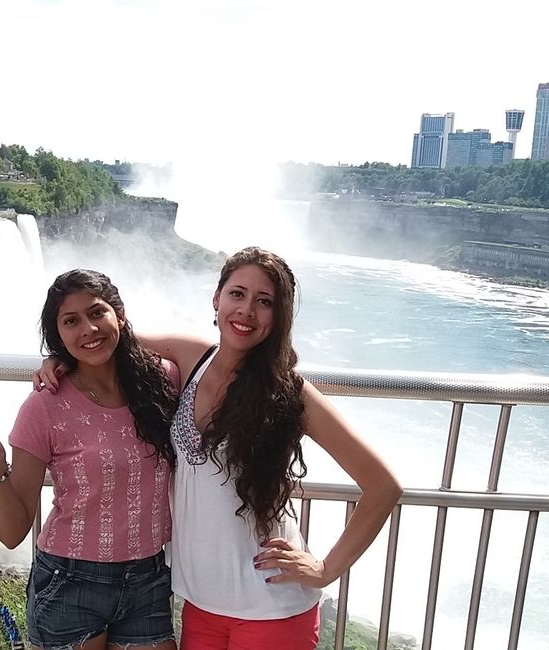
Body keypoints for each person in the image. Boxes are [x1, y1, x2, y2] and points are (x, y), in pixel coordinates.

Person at [36, 247, 403, 650]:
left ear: (279, 315)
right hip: (201, 605)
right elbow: (105, 338)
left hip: (272, 608)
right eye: (237, 294)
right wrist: (59, 359)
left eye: (264, 302)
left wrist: (325, 569)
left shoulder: (289, 392)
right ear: (217, 298)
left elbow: (383, 485)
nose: (247, 310)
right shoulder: (192, 357)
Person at [0, 269, 180, 650]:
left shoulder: (161, 380)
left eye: (97, 313)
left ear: (120, 315)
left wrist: (97, 343)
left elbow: (212, 353)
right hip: (70, 582)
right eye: (71, 322)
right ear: (57, 335)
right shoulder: (45, 404)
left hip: (147, 578)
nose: (88, 328)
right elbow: (12, 532)